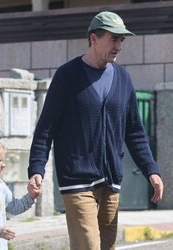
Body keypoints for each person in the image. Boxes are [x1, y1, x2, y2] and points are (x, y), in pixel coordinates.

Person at [28, 11, 164, 250]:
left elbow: (134, 132)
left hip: (111, 179)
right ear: (93, 38)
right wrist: (37, 166)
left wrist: (151, 170)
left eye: (122, 40)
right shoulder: (67, 76)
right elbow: (46, 127)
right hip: (77, 179)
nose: (119, 46)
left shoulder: (123, 78)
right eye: (114, 39)